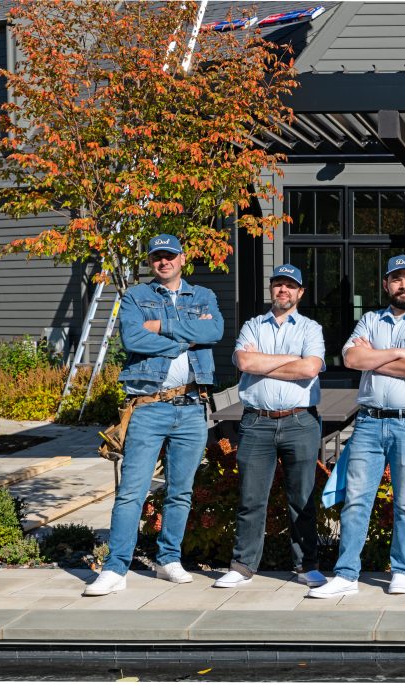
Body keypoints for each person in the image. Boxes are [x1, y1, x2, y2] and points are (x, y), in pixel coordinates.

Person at [83, 234, 223, 596]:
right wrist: (185, 340)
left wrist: (162, 326)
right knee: (132, 491)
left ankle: (168, 559)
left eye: (170, 256)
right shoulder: (135, 297)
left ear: (182, 258)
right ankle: (116, 568)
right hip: (147, 407)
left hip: (192, 407)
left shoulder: (203, 296)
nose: (164, 262)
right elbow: (132, 340)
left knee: (180, 491)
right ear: (151, 261)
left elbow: (215, 330)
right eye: (157, 257)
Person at [308, 255, 405, 599]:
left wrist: (376, 357)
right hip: (369, 421)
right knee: (356, 499)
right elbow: (351, 359)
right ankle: (347, 574)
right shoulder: (370, 318)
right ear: (385, 284)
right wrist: (400, 353)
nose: (403, 285)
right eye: (396, 279)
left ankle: (402, 570)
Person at [213, 264, 326, 589]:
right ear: (272, 289)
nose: (283, 290)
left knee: (301, 498)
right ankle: (243, 565)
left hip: (299, 420)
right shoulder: (252, 326)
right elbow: (245, 363)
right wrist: (289, 360)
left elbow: (310, 369)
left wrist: (267, 362)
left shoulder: (310, 328)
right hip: (257, 422)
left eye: (290, 286)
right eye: (278, 284)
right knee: (251, 498)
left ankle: (307, 566)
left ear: (300, 292)